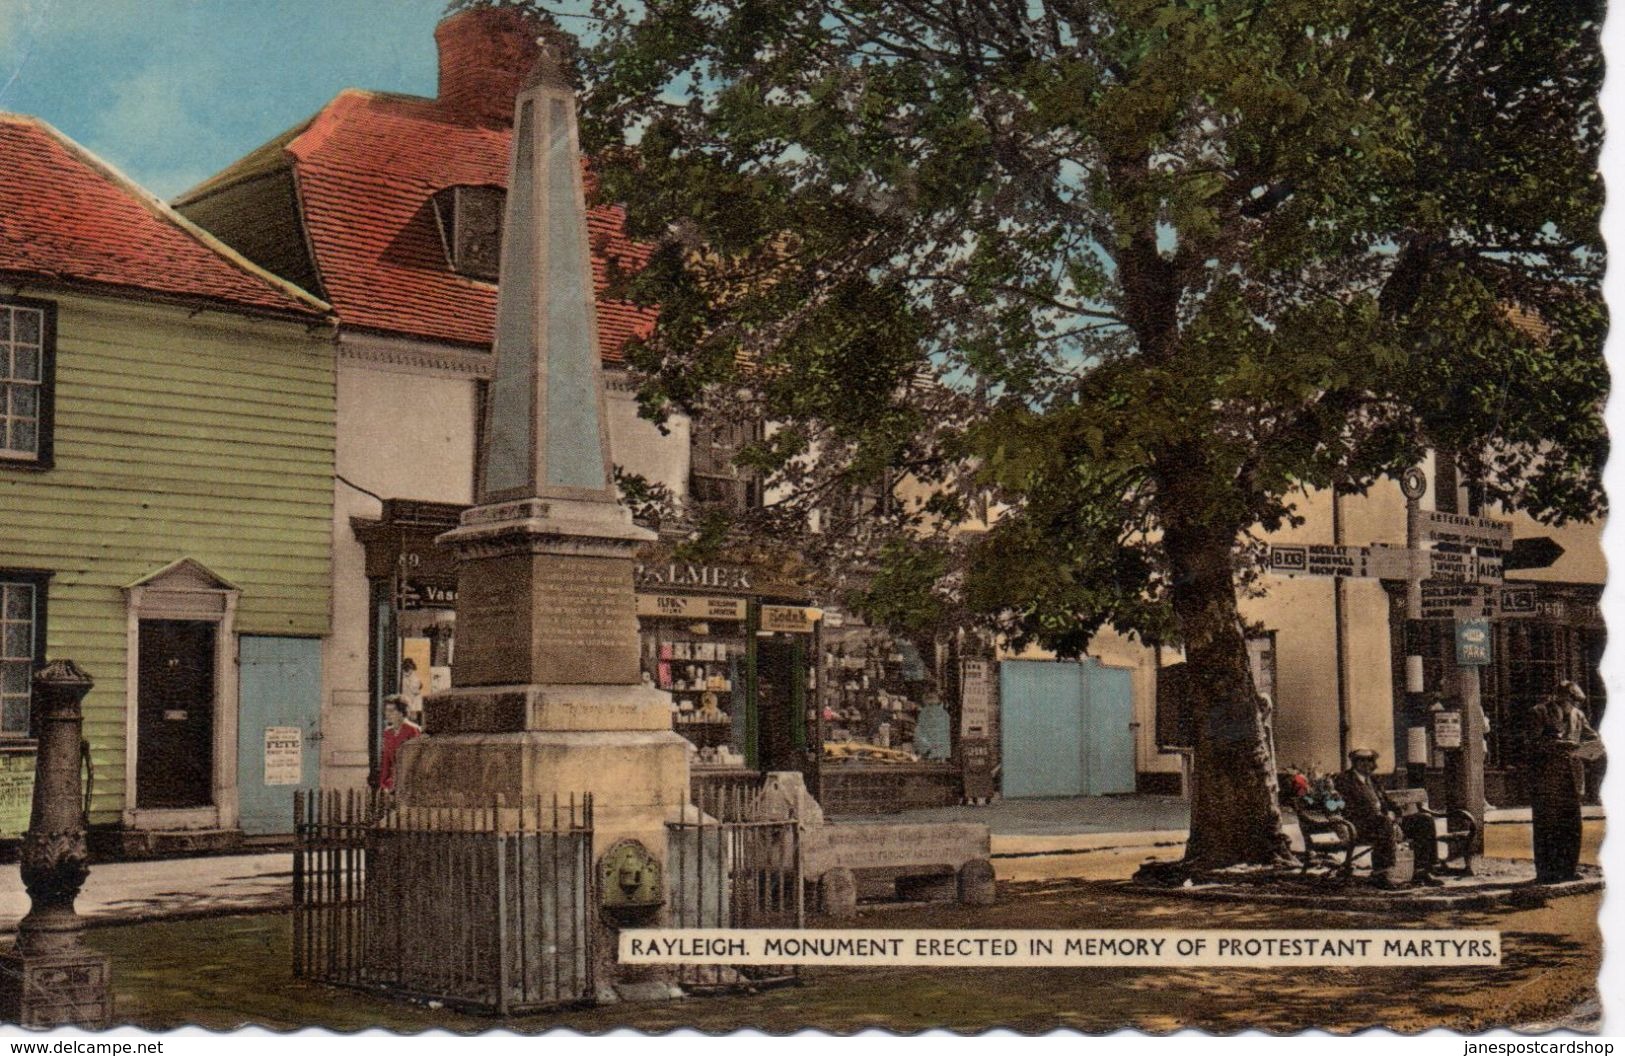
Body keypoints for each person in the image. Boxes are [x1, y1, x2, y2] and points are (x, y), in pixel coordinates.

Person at [1333, 748, 1442, 885]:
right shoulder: (1344, 780)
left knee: (1424, 820)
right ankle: (1382, 873)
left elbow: (1388, 802)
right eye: (1362, 761)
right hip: (1360, 825)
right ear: (1354, 763)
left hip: (1383, 823)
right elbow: (1345, 807)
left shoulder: (1373, 780)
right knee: (1383, 822)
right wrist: (1382, 818)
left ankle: (1422, 870)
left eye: (1370, 760)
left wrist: (1396, 815)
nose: (1367, 764)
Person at [1527, 681, 1601, 883]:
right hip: (1546, 779)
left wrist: (1589, 749)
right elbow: (1531, 744)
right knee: (1547, 826)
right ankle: (1546, 873)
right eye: (1572, 700)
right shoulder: (1539, 712)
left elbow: (1592, 739)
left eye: (1576, 702)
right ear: (1561, 697)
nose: (1574, 706)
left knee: (1571, 825)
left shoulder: (1578, 715)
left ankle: (1568, 869)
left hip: (1572, 778)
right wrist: (1559, 746)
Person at [378, 695, 421, 793]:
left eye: (391, 711)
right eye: (386, 711)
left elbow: (415, 761)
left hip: (409, 783)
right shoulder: (387, 732)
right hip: (392, 784)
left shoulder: (413, 730)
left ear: (402, 712)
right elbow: (386, 761)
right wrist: (384, 784)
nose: (387, 714)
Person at [400, 658, 424, 723]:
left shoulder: (411, 676)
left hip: (413, 703)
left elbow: (418, 687)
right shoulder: (409, 677)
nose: (410, 670)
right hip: (410, 702)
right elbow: (416, 689)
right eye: (409, 668)